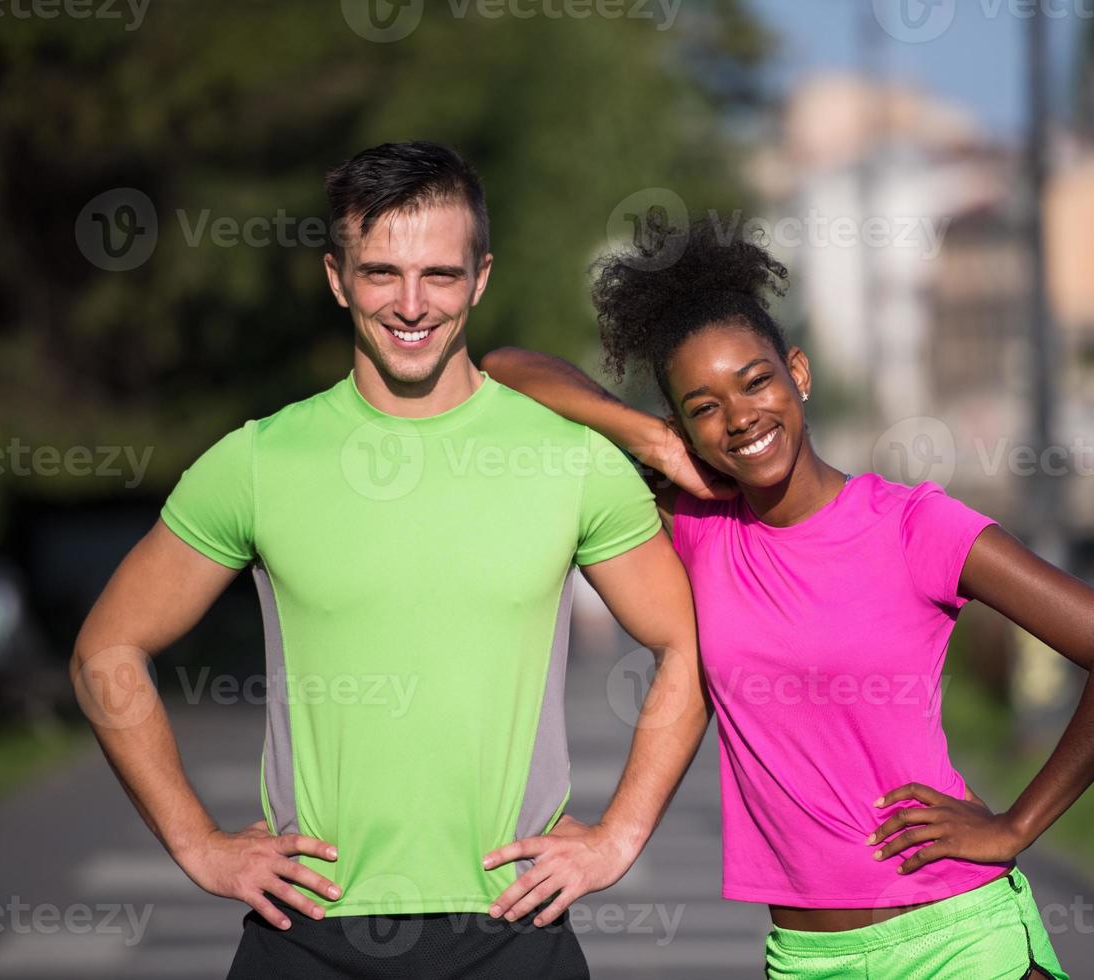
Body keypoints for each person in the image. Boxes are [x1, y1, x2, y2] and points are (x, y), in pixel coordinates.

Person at [71, 142, 710, 979]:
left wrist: (618, 835)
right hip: (306, 936)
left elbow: (689, 644)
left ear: (480, 278)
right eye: (381, 274)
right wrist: (199, 845)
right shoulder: (260, 461)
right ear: (337, 278)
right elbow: (105, 651)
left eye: (440, 275)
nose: (411, 304)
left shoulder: (570, 460)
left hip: (514, 932)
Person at [481, 214, 1094, 979]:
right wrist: (646, 438)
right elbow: (507, 366)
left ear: (798, 374)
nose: (741, 417)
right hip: (804, 956)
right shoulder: (697, 523)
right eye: (704, 406)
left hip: (955, 938)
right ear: (681, 423)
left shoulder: (914, 527)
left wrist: (1014, 827)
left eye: (756, 381)